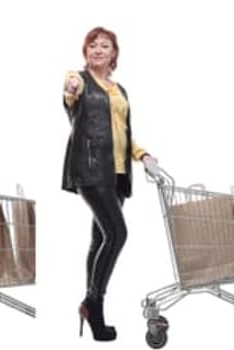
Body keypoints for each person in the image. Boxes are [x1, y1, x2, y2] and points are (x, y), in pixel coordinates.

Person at [61, 26, 152, 343]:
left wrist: (143, 155)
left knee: (99, 239)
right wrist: (71, 86)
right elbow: (70, 95)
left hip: (116, 173)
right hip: (90, 170)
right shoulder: (79, 80)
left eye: (105, 46)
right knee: (118, 233)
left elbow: (123, 132)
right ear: (85, 52)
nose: (98, 50)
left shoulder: (119, 90)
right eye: (92, 46)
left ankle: (93, 307)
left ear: (114, 53)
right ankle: (93, 303)